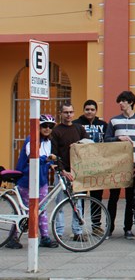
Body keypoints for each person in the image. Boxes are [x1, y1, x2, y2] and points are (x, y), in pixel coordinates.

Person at [7, 114, 59, 249]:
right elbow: (33, 158)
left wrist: (51, 164)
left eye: (50, 126)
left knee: (41, 209)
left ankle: (45, 237)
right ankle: (12, 238)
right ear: (39, 127)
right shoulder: (32, 139)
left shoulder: (48, 141)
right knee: (23, 211)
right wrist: (47, 159)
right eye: (44, 126)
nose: (47, 129)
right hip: (27, 180)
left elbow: (46, 159)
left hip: (41, 180)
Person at [105, 90, 135, 240]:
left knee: (130, 198)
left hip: (134, 164)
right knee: (113, 197)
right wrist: (119, 138)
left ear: (131, 102)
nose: (120, 103)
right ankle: (109, 228)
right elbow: (106, 139)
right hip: (117, 164)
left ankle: (128, 228)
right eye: (120, 101)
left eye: (123, 101)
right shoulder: (113, 121)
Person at [49, 102, 89, 241]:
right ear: (61, 113)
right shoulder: (56, 131)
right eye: (66, 112)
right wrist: (62, 171)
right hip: (62, 173)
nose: (68, 115)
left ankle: (78, 231)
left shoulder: (79, 128)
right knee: (60, 203)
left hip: (77, 172)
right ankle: (59, 232)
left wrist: (78, 144)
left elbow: (88, 143)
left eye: (71, 112)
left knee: (77, 203)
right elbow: (54, 153)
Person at [74, 99, 108, 235]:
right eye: (87, 109)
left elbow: (108, 142)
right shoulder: (76, 124)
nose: (89, 112)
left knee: (96, 197)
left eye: (92, 109)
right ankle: (78, 227)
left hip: (97, 167)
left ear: (96, 111)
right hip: (80, 168)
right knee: (80, 198)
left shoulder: (103, 125)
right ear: (83, 110)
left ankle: (96, 226)